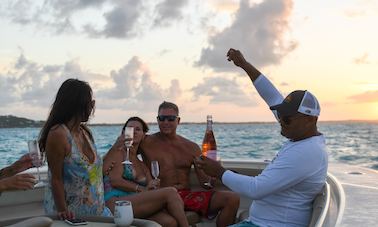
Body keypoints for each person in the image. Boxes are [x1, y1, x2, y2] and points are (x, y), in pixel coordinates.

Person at [195, 48, 328, 227]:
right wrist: (243, 64)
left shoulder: (308, 151)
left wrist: (219, 172)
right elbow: (271, 96)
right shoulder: (300, 136)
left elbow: (256, 189)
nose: (280, 120)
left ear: (310, 120)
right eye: (280, 114)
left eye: (286, 118)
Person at [141, 101, 240, 227]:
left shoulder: (191, 147)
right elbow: (124, 153)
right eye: (162, 118)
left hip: (186, 196)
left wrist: (217, 172)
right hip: (161, 197)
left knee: (232, 198)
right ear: (157, 120)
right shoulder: (146, 142)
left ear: (178, 120)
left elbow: (205, 183)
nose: (166, 122)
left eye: (171, 119)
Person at [39, 78, 112, 219]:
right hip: (71, 217)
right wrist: (63, 213)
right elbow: (56, 179)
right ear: (77, 104)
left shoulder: (85, 132)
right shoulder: (58, 134)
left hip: (97, 214)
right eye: (90, 102)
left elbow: (92, 175)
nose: (92, 107)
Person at [102, 117, 189, 227]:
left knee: (169, 222)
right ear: (123, 132)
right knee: (171, 192)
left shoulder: (142, 164)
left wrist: (152, 186)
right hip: (116, 203)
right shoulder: (118, 153)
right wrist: (141, 189)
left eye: (138, 129)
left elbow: (150, 187)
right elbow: (116, 181)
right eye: (130, 128)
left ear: (143, 135)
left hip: (134, 203)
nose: (133, 131)